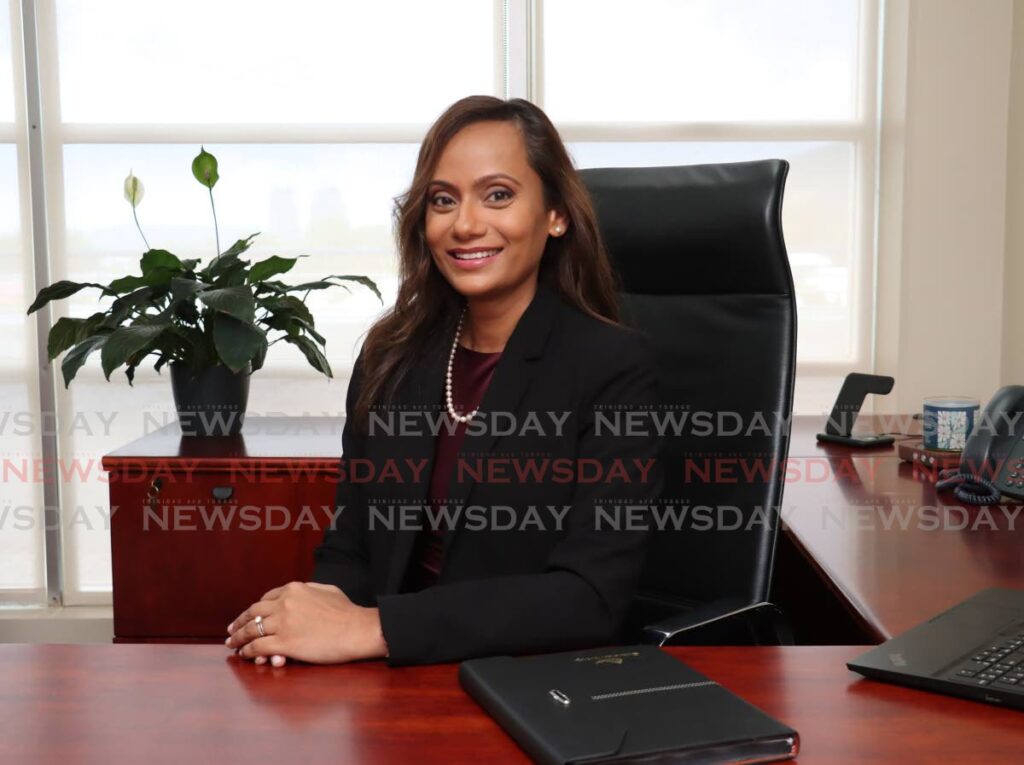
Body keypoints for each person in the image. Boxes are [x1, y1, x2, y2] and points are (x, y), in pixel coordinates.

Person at [225, 95, 664, 667]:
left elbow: (589, 599)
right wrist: (312, 616)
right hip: (391, 682)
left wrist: (374, 628)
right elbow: (354, 542)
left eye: (498, 195)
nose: (466, 224)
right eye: (443, 200)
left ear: (556, 213)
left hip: (537, 683)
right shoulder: (394, 356)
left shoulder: (614, 367)